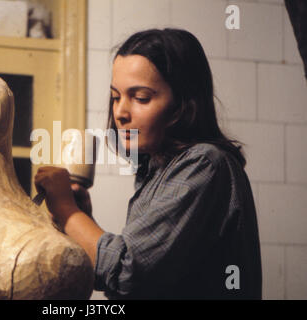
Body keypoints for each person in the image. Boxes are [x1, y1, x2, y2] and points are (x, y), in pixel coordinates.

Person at [34, 28, 262, 299]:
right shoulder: (158, 170)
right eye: (116, 97)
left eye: (140, 98)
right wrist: (83, 218)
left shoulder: (205, 165)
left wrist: (66, 210)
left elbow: (127, 274)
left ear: (183, 103)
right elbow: (137, 278)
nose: (120, 112)